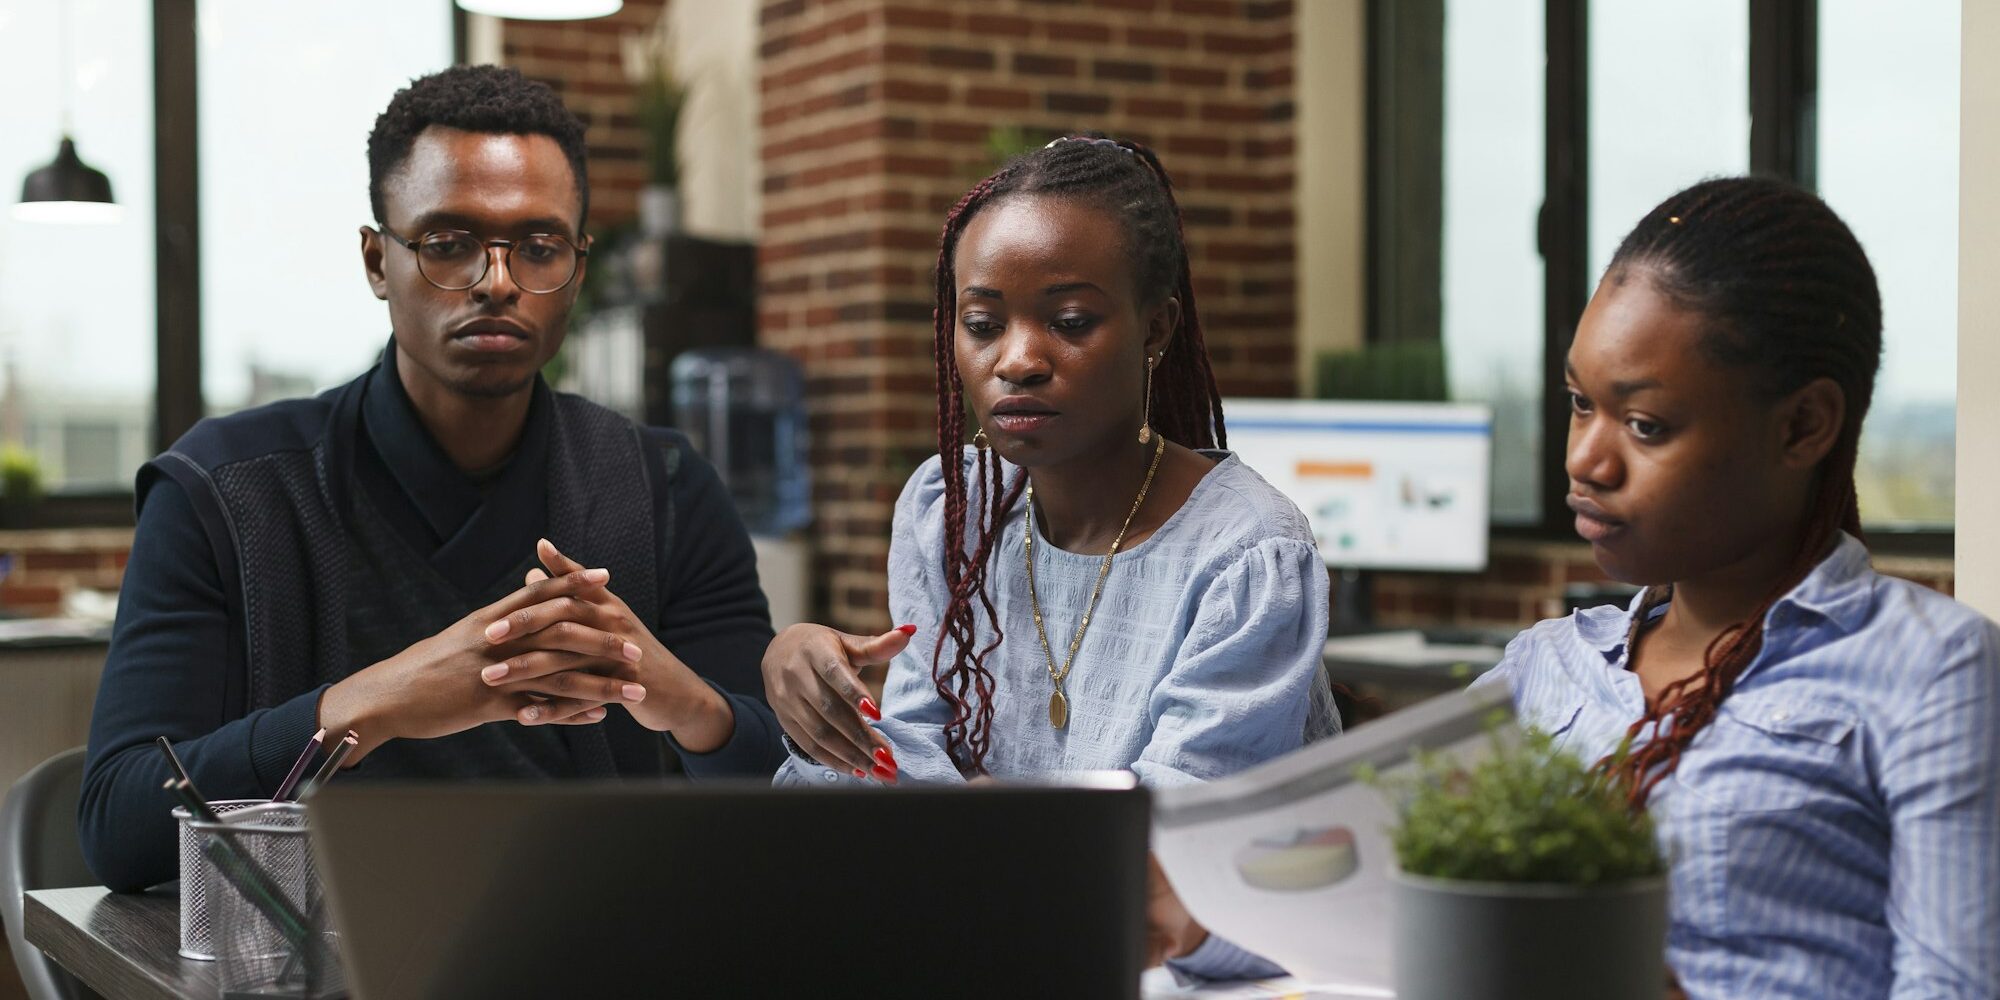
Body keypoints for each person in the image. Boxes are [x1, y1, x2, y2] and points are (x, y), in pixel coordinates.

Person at [80, 66, 785, 893]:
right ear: (379, 261)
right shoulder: (227, 493)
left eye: (538, 247)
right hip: (308, 954)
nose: (497, 281)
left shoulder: (662, 488)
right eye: (448, 244)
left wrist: (675, 697)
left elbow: (777, 799)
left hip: (594, 945)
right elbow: (120, 822)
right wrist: (367, 705)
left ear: (578, 267)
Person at [761, 136, 1340, 980]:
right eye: (984, 324)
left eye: (1070, 323)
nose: (1018, 360)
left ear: (1157, 330)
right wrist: (823, 705)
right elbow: (918, 761)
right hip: (991, 927)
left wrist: (990, 822)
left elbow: (1181, 845)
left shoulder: (1249, 552)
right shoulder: (949, 508)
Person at [1474, 176, 1999, 998]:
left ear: (1803, 427)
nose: (1585, 461)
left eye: (1645, 425)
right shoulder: (1541, 668)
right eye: (1581, 404)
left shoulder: (1934, 669)